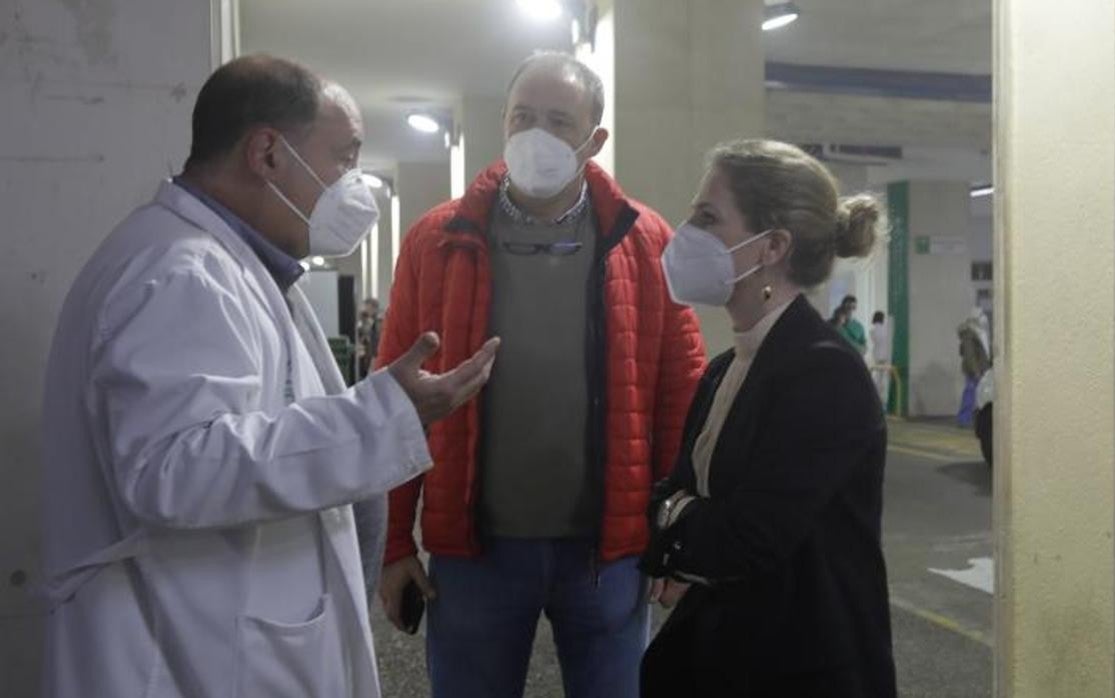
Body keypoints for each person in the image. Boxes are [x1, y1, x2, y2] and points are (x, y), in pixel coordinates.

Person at [39, 55, 500, 698]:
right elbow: (173, 469)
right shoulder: (181, 275)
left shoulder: (234, 267)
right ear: (267, 154)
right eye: (344, 157)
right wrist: (384, 413)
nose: (354, 184)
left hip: (219, 632)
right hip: (176, 650)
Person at [375, 51, 707, 698]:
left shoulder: (644, 241)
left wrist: (677, 540)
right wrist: (392, 543)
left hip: (608, 553)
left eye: (558, 121)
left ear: (594, 140)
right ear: (502, 122)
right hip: (474, 553)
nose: (536, 135)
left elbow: (679, 396)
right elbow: (395, 397)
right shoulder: (436, 241)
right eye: (523, 117)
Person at [640, 139, 897, 697]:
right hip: (728, 654)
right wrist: (684, 515)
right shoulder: (728, 367)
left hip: (800, 666)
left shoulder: (823, 374)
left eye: (708, 217)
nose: (687, 232)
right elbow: (676, 493)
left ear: (771, 246)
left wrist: (676, 519)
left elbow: (745, 540)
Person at [870, 310, 893, 407]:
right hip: (886, 355)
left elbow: (875, 341)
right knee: (884, 379)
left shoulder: (872, 331)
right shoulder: (886, 329)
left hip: (877, 355)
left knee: (878, 378)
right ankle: (883, 400)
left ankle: (877, 399)